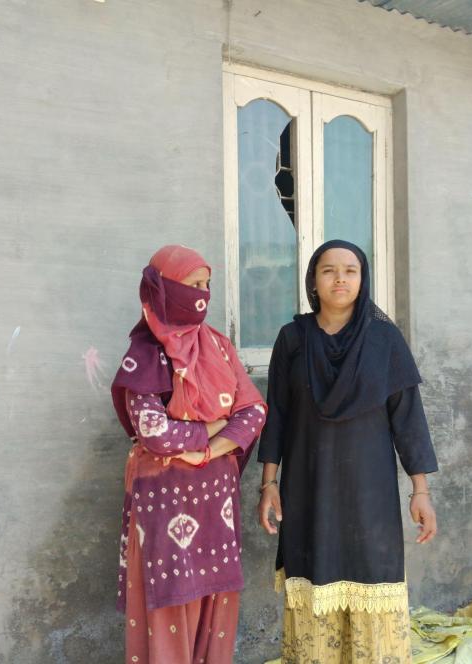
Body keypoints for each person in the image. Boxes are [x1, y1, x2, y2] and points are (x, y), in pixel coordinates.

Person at [256, 239, 438, 663]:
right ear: (313, 281)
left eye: (350, 270)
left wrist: (421, 491)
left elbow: (408, 418)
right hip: (307, 487)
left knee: (372, 573)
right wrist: (269, 483)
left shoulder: (384, 340)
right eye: (328, 270)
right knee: (312, 573)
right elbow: (277, 414)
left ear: (363, 279)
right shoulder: (293, 339)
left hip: (369, 491)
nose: (340, 278)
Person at [111, 245, 267, 664]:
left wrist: (206, 450)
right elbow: (154, 432)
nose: (201, 294)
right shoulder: (145, 354)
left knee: (216, 601)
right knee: (168, 602)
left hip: (216, 499)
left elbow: (252, 410)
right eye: (191, 285)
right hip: (162, 499)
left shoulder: (218, 346)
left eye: (206, 285)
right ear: (163, 288)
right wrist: (215, 428)